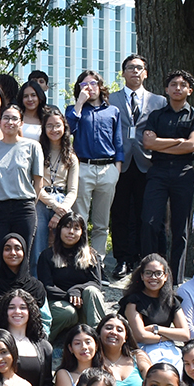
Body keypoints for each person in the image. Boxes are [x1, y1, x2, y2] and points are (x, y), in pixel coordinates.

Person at [139, 69, 194, 281]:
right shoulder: (156, 115)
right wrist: (179, 142)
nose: (178, 88)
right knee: (149, 223)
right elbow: (148, 143)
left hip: (183, 173)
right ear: (166, 89)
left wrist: (162, 144)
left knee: (180, 229)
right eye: (173, 84)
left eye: (182, 84)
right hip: (157, 172)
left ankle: (176, 280)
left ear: (190, 90)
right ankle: (150, 273)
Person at [108, 55, 164, 277]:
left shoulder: (159, 101)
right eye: (130, 68)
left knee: (145, 214)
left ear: (146, 73)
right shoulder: (110, 100)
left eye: (139, 68)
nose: (135, 72)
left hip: (147, 163)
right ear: (123, 73)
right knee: (119, 213)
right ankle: (121, 259)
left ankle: (142, 259)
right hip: (119, 162)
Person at [0, 106, 45, 282]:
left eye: (14, 118)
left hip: (24, 208)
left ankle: (21, 301)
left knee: (24, 257)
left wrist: (30, 202)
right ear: (0, 122)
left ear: (21, 123)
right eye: (6, 118)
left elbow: (38, 181)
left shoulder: (33, 146)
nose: (10, 122)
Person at [66, 71, 123, 261]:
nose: (89, 88)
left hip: (108, 169)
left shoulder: (112, 111)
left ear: (100, 86)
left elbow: (118, 142)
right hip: (83, 168)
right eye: (84, 85)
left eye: (92, 83)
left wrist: (117, 168)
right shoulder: (74, 109)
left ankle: (97, 264)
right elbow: (67, 131)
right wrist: (79, 104)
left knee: (102, 222)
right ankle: (78, 259)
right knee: (79, 219)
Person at [39, 212, 108, 336]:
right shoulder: (47, 255)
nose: (71, 232)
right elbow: (46, 286)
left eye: (76, 228)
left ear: (82, 232)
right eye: (67, 226)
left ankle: (100, 337)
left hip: (84, 302)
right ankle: (45, 343)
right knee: (68, 312)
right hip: (59, 303)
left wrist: (76, 290)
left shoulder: (91, 255)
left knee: (92, 291)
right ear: (59, 229)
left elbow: (96, 283)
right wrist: (69, 296)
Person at [119, 254, 191, 369]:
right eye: (148, 273)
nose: (153, 277)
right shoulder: (133, 301)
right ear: (142, 276)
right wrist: (170, 335)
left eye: (158, 273)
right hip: (142, 349)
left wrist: (156, 328)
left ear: (165, 276)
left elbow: (185, 334)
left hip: (168, 349)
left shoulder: (171, 300)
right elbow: (140, 336)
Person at [34, 106, 79, 260]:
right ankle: (36, 279)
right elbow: (36, 186)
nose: (54, 130)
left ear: (64, 127)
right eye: (49, 126)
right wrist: (54, 205)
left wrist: (62, 210)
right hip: (41, 200)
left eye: (57, 125)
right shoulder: (37, 152)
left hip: (63, 202)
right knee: (38, 245)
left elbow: (73, 190)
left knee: (60, 246)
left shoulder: (71, 157)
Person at [96, 312, 148, 386]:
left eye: (119, 330)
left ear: (126, 337)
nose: (113, 332)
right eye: (108, 328)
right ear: (99, 333)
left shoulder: (138, 357)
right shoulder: (93, 362)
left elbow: (154, 382)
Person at [51, 322, 102, 386]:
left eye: (88, 342)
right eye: (77, 343)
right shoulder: (64, 374)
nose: (84, 347)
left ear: (96, 345)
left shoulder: (104, 373)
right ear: (70, 348)